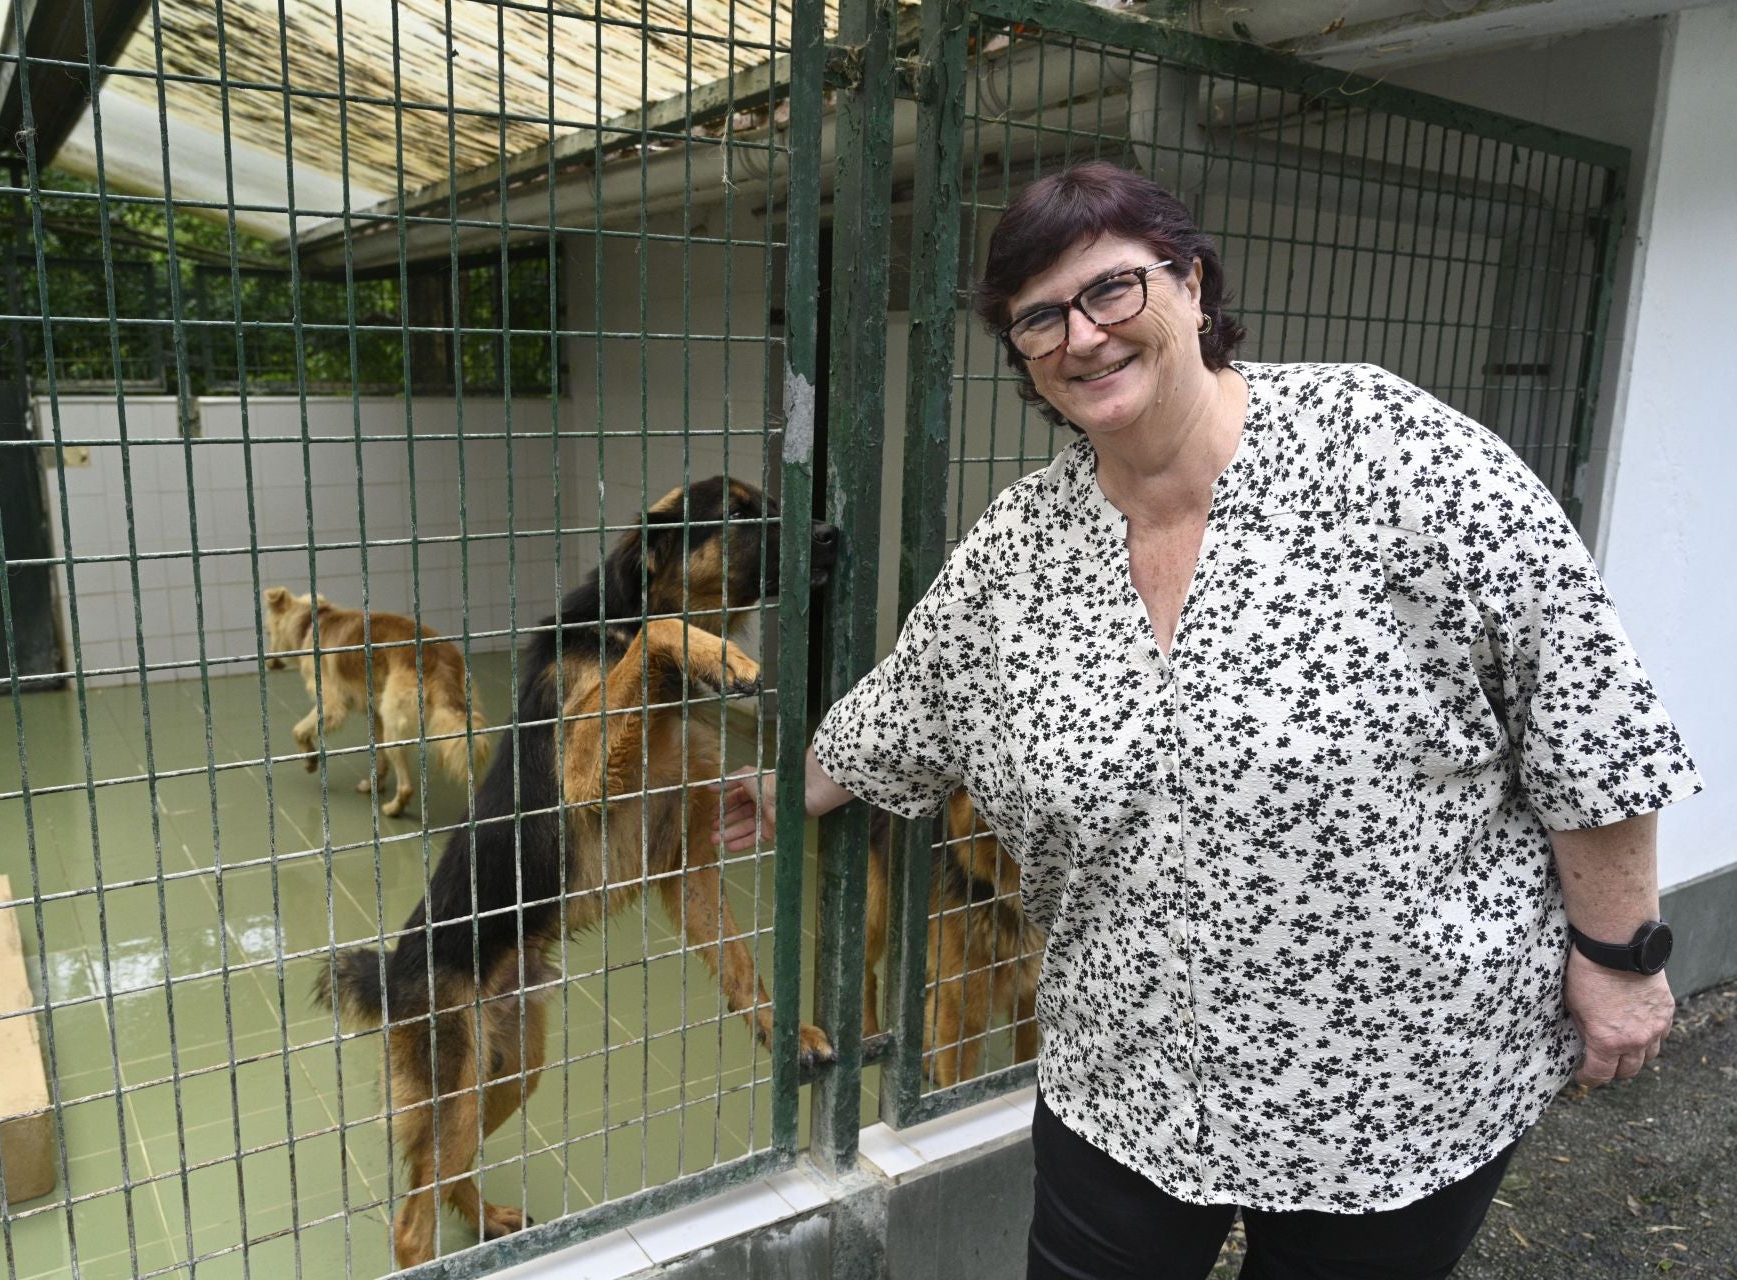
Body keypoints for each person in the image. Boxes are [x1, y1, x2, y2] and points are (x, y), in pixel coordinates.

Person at [716, 161, 1701, 1280]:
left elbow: (1584, 705)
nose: (1082, 336)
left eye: (1113, 290)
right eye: (1040, 317)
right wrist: (785, 785)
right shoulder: (1023, 543)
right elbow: (915, 695)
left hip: (1394, 1075)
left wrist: (1621, 955)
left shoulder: (1389, 451)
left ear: (1190, 282)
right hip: (1127, 1063)